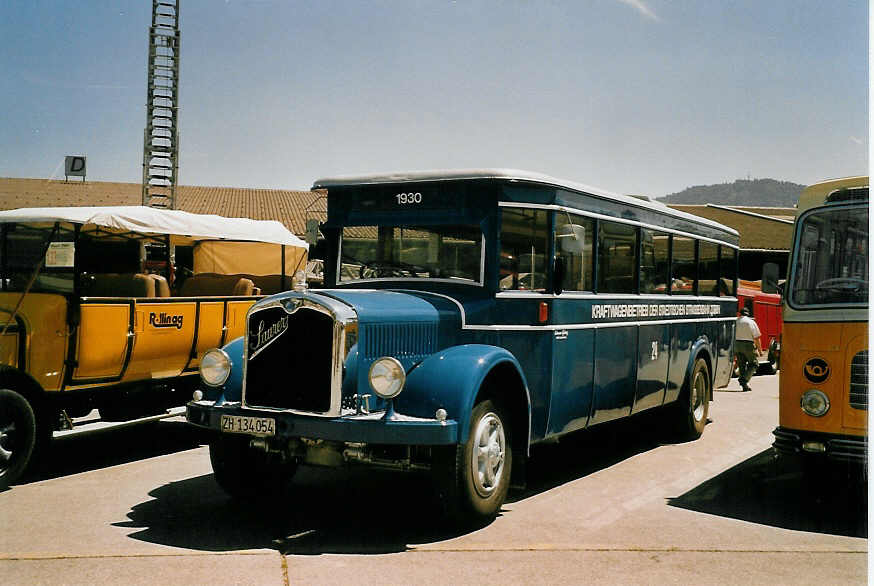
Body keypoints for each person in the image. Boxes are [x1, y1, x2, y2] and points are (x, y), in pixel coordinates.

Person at [735, 306, 762, 391]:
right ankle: (744, 380)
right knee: (754, 364)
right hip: (748, 345)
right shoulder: (751, 322)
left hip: (737, 344)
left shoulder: (736, 321)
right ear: (748, 314)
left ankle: (744, 386)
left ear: (740, 313)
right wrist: (760, 350)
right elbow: (757, 337)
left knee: (741, 365)